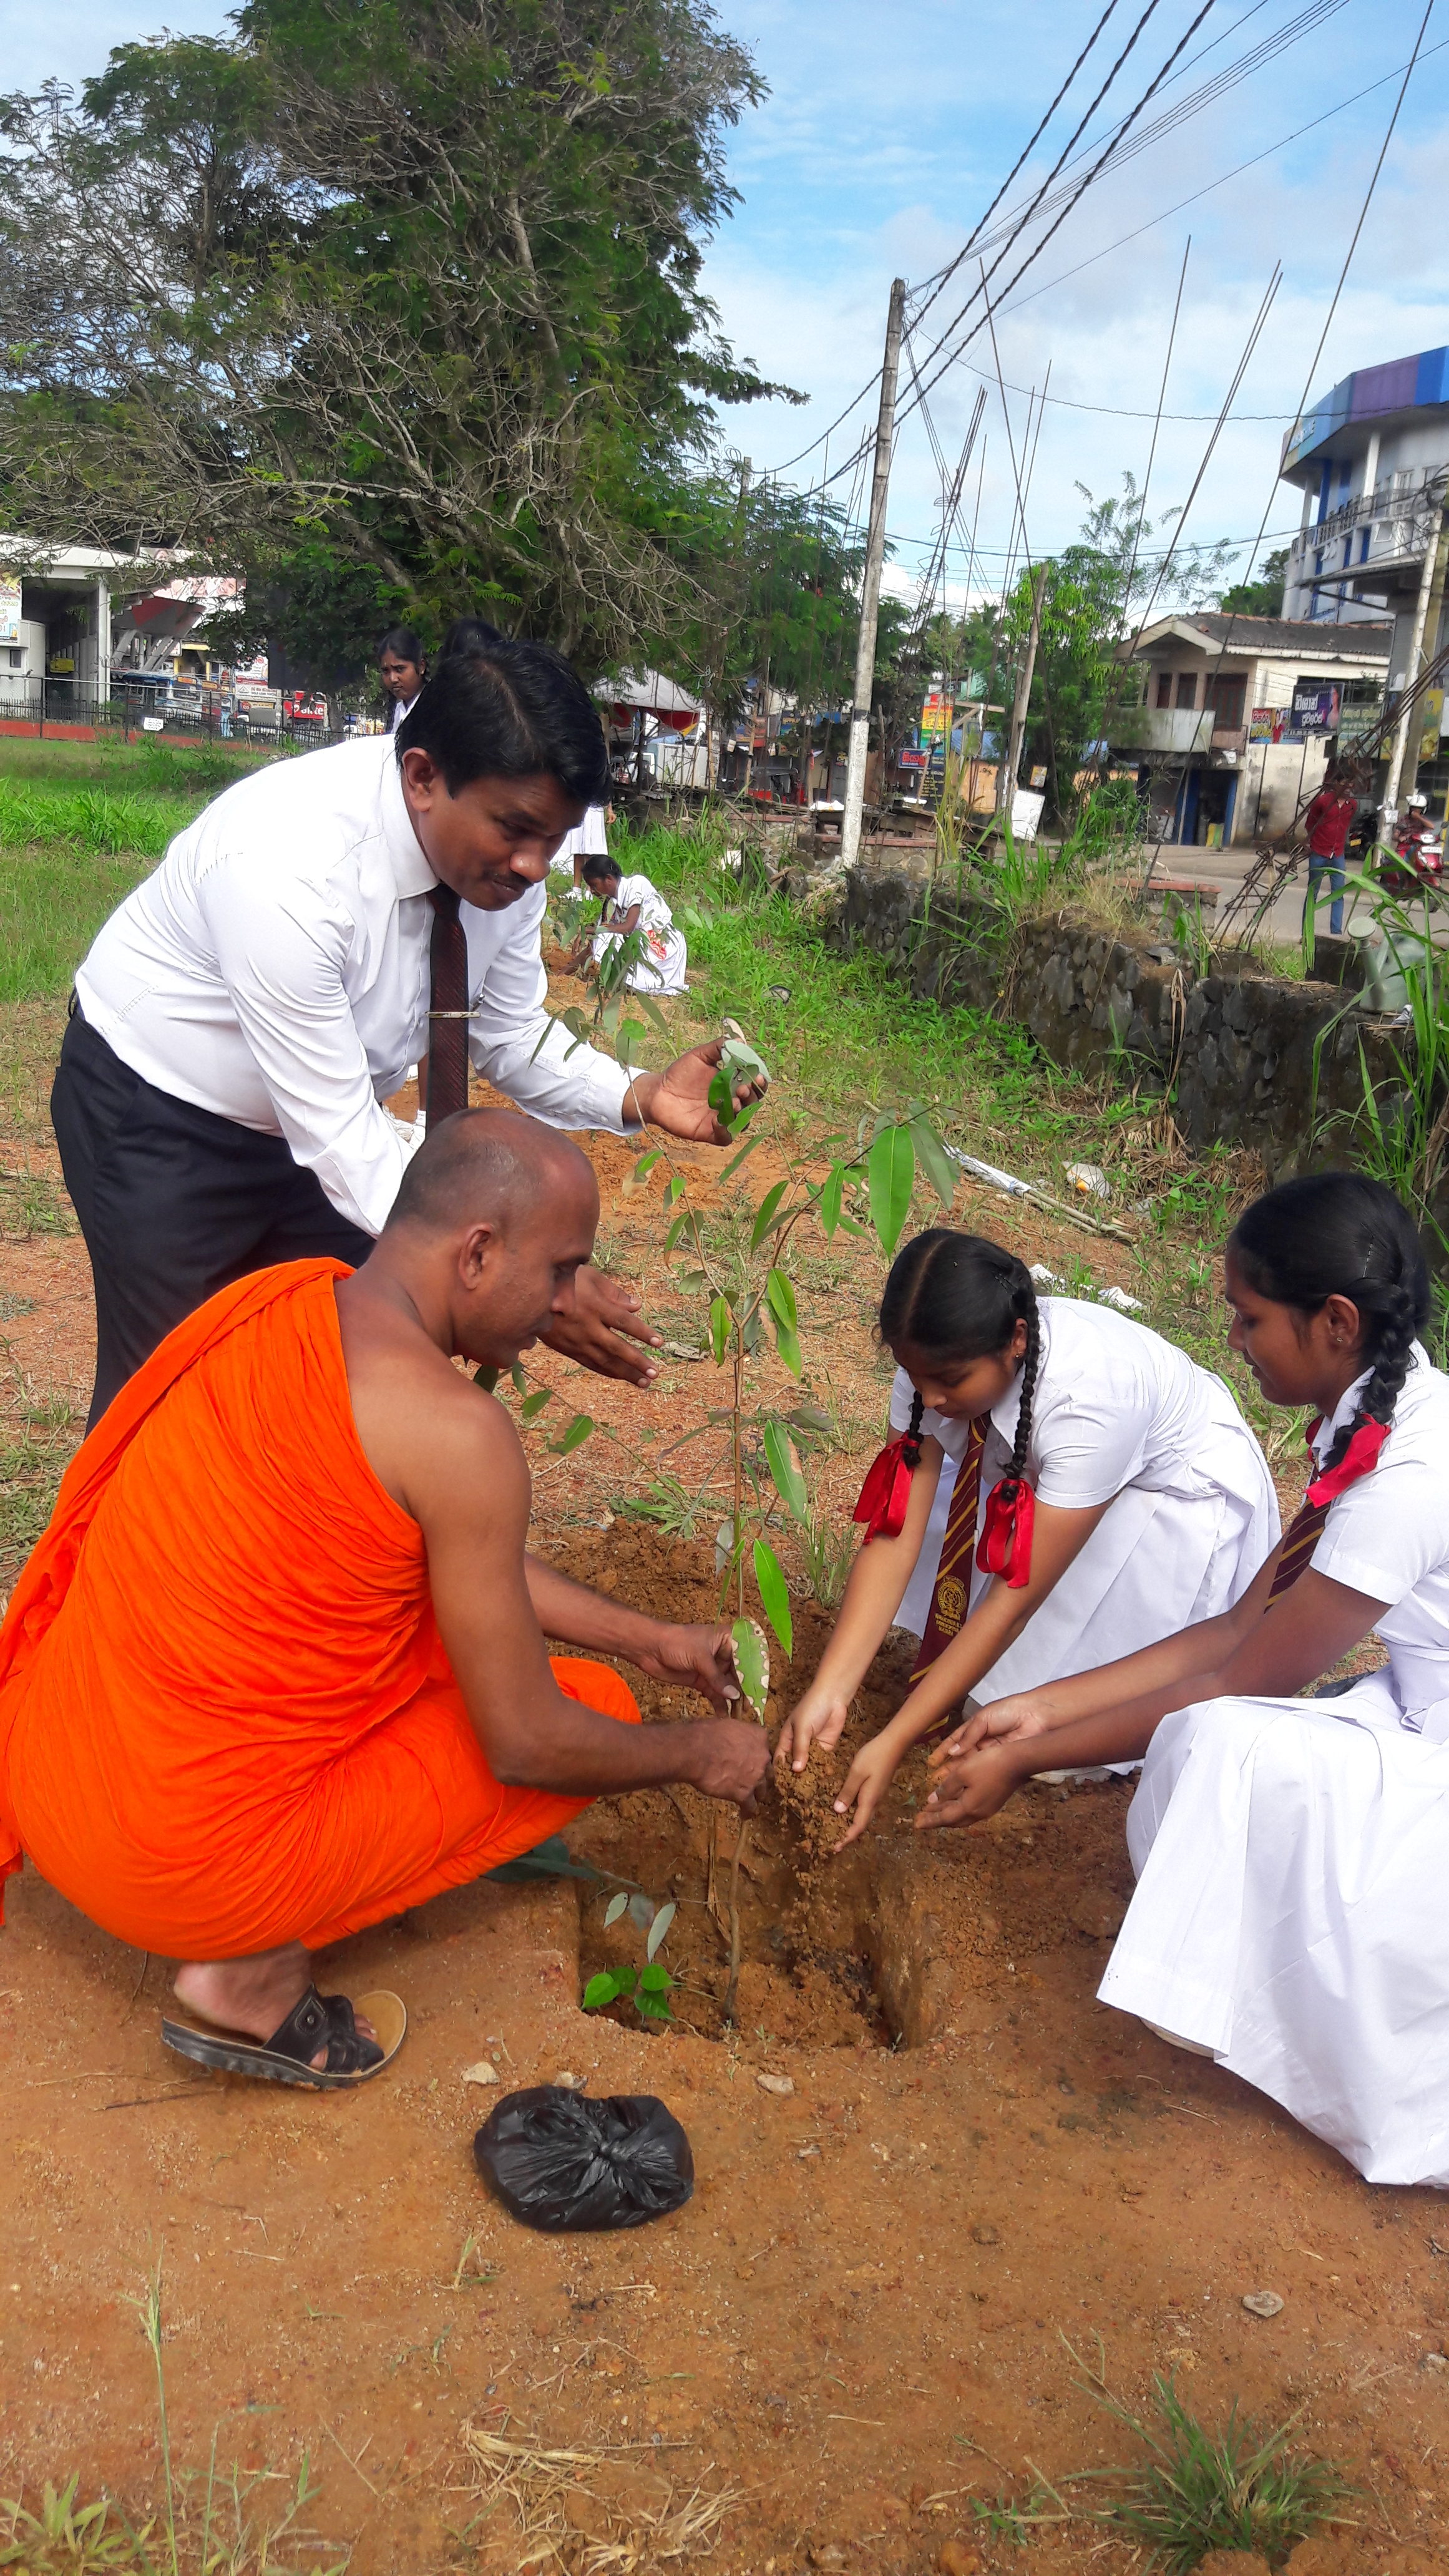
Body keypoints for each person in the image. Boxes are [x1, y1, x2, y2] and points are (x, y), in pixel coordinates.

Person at [0, 1110, 769, 2090]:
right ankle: (251, 1977)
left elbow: (443, 1551)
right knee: (594, 1711)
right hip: (175, 1869)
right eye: (562, 1269)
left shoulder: (281, 1302)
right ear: (479, 1254)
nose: (569, 1302)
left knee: (478, 1644)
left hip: (57, 1768)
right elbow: (524, 1742)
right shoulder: (457, 1432)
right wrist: (697, 1754)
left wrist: (648, 1636)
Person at [52, 642, 763, 1425]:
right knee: (169, 1397)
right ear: (423, 778)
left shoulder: (504, 863)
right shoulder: (286, 869)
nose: (535, 867)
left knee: (337, 1365)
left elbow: (509, 1029)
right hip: (166, 1114)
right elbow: (344, 1142)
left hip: (329, 1111)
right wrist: (540, 1288)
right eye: (519, 831)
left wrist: (637, 1091)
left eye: (555, 840)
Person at [919, 1174, 1449, 2191]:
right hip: (1418, 1708)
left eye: (1250, 1319)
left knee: (1213, 1745)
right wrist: (1042, 1705)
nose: (1236, 1339)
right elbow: (1237, 1621)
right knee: (1201, 1755)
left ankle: (1291, 2022)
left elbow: (1248, 1677)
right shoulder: (1375, 1410)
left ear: (1334, 1322)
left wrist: (1026, 1755)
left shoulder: (1408, 1475)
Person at [776, 1230, 1278, 1847]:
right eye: (915, 1377)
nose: (928, 1397)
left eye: (949, 1382)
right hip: (1029, 1469)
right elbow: (895, 1528)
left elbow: (1012, 1606)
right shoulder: (936, 1361)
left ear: (1016, 1341)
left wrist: (895, 1738)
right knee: (979, 1684)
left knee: (1040, 1733)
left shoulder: (1089, 1403)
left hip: (1163, 1493)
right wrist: (833, 1689)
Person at [581, 849, 689, 996]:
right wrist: (567, 970)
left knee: (608, 936)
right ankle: (621, 980)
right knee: (605, 936)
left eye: (594, 885)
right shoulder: (611, 903)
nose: (592, 891)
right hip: (641, 946)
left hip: (662, 945)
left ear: (609, 879)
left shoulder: (636, 884)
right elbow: (596, 943)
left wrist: (594, 930)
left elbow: (627, 927)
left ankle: (623, 981)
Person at [1296, 760, 1360, 938]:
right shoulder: (1323, 802)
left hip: (1338, 853)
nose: (1348, 787)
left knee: (1338, 893)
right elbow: (1310, 824)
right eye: (1344, 782)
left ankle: (1336, 933)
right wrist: (1314, 844)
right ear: (1336, 783)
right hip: (1319, 852)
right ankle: (1306, 933)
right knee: (1312, 893)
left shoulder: (1352, 805)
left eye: (1351, 783)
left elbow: (1346, 827)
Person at [378, 626, 427, 731]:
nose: (393, 679)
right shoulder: (399, 709)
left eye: (400, 669)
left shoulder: (437, 709)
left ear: (421, 667)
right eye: (386, 671)